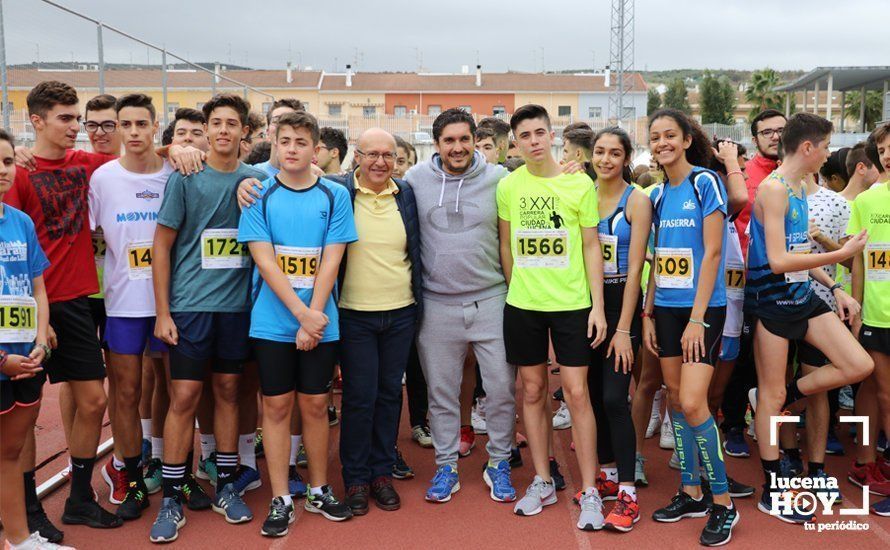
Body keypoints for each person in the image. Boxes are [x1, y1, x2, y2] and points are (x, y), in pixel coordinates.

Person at [4, 81, 123, 534]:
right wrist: (39, 320)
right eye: (67, 119)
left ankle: (78, 498)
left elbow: (139, 159)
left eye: (79, 118)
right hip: (34, 307)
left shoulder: (85, 162)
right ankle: (29, 510)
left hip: (75, 301)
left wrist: (180, 148)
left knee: (94, 400)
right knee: (26, 416)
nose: (78, 128)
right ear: (37, 121)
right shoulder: (17, 176)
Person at [745, 112, 873, 524]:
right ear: (807, 148)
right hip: (771, 302)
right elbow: (780, 260)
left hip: (804, 296)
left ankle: (778, 398)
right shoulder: (774, 190)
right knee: (772, 395)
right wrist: (843, 254)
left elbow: (798, 251)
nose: (829, 155)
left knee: (858, 364)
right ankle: (771, 489)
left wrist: (834, 287)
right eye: (825, 147)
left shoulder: (799, 185)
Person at [149, 94, 266, 542]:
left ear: (243, 133)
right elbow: (162, 246)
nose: (222, 131)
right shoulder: (185, 177)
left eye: (231, 124)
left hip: (237, 310)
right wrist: (163, 312)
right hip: (190, 307)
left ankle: (226, 485)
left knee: (230, 391)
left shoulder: (257, 180)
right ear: (207, 129)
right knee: (184, 397)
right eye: (215, 123)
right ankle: (174, 497)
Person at [238, 111, 357, 536]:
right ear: (274, 142)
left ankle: (321, 488)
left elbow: (333, 258)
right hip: (273, 321)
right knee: (275, 406)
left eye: (300, 142)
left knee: (314, 405)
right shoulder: (258, 195)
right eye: (284, 140)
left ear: (316, 149)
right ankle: (280, 497)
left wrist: (314, 316)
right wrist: (300, 314)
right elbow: (264, 260)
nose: (291, 148)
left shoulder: (334, 195)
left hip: (323, 320)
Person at [498, 104, 607, 530]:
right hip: (524, 304)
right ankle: (543, 478)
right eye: (524, 136)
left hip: (573, 304)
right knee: (531, 389)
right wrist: (516, 288)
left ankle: (590, 488)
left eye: (540, 133)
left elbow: (591, 247)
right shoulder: (508, 186)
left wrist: (597, 305)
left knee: (577, 394)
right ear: (516, 142)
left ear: (552, 135)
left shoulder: (579, 185)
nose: (534, 141)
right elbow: (507, 246)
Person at [406, 108, 519, 505]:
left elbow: (541, 183)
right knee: (442, 393)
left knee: (502, 389)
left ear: (475, 139)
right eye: (448, 141)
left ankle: (500, 462)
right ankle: (445, 466)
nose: (457, 148)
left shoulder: (501, 179)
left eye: (464, 139)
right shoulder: (414, 180)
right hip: (436, 304)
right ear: (436, 145)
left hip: (492, 299)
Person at [643, 108, 741, 546]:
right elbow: (658, 261)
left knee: (696, 403)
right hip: (664, 308)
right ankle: (691, 490)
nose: (662, 142)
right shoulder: (658, 196)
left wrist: (698, 318)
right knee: (677, 401)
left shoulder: (705, 183)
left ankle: (723, 503)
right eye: (655, 137)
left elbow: (714, 254)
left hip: (702, 311)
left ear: (686, 140)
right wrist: (648, 312)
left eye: (670, 136)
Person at [88, 94, 183, 521]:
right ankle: (129, 474)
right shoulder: (103, 178)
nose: (132, 133)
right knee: (126, 392)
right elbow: (91, 237)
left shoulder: (176, 173)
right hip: (124, 305)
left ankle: (169, 466)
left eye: (140, 124)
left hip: (173, 303)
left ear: (153, 125)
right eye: (124, 125)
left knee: (175, 389)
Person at [326, 128, 422, 517]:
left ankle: (382, 473)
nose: (381, 162)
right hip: (354, 313)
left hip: (401, 311)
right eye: (372, 154)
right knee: (359, 397)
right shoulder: (337, 190)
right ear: (357, 156)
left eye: (389, 155)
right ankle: (356, 478)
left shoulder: (407, 194)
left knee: (387, 395)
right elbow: (279, 173)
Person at [0, 129, 68, 550]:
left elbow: (37, 287)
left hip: (28, 359)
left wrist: (41, 338)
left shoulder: (20, 222)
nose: (2, 171)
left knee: (9, 455)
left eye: (7, 162)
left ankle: (20, 539)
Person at [586, 127, 651, 532]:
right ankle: (607, 473)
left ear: (626, 157)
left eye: (614, 153)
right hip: (586, 305)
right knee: (591, 396)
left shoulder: (637, 201)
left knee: (614, 397)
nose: (605, 159)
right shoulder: (580, 193)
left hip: (619, 302)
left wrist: (624, 328)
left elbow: (634, 273)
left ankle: (628, 490)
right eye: (599, 151)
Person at [848, 123, 890, 516]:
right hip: (877, 317)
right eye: (881, 147)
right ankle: (869, 462)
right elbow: (857, 260)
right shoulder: (866, 202)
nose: (887, 152)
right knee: (884, 396)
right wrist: (857, 309)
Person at [253, 98, 305, 179]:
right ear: (267, 132)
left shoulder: (313, 177)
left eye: (290, 121)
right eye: (276, 120)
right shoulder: (251, 175)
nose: (282, 126)